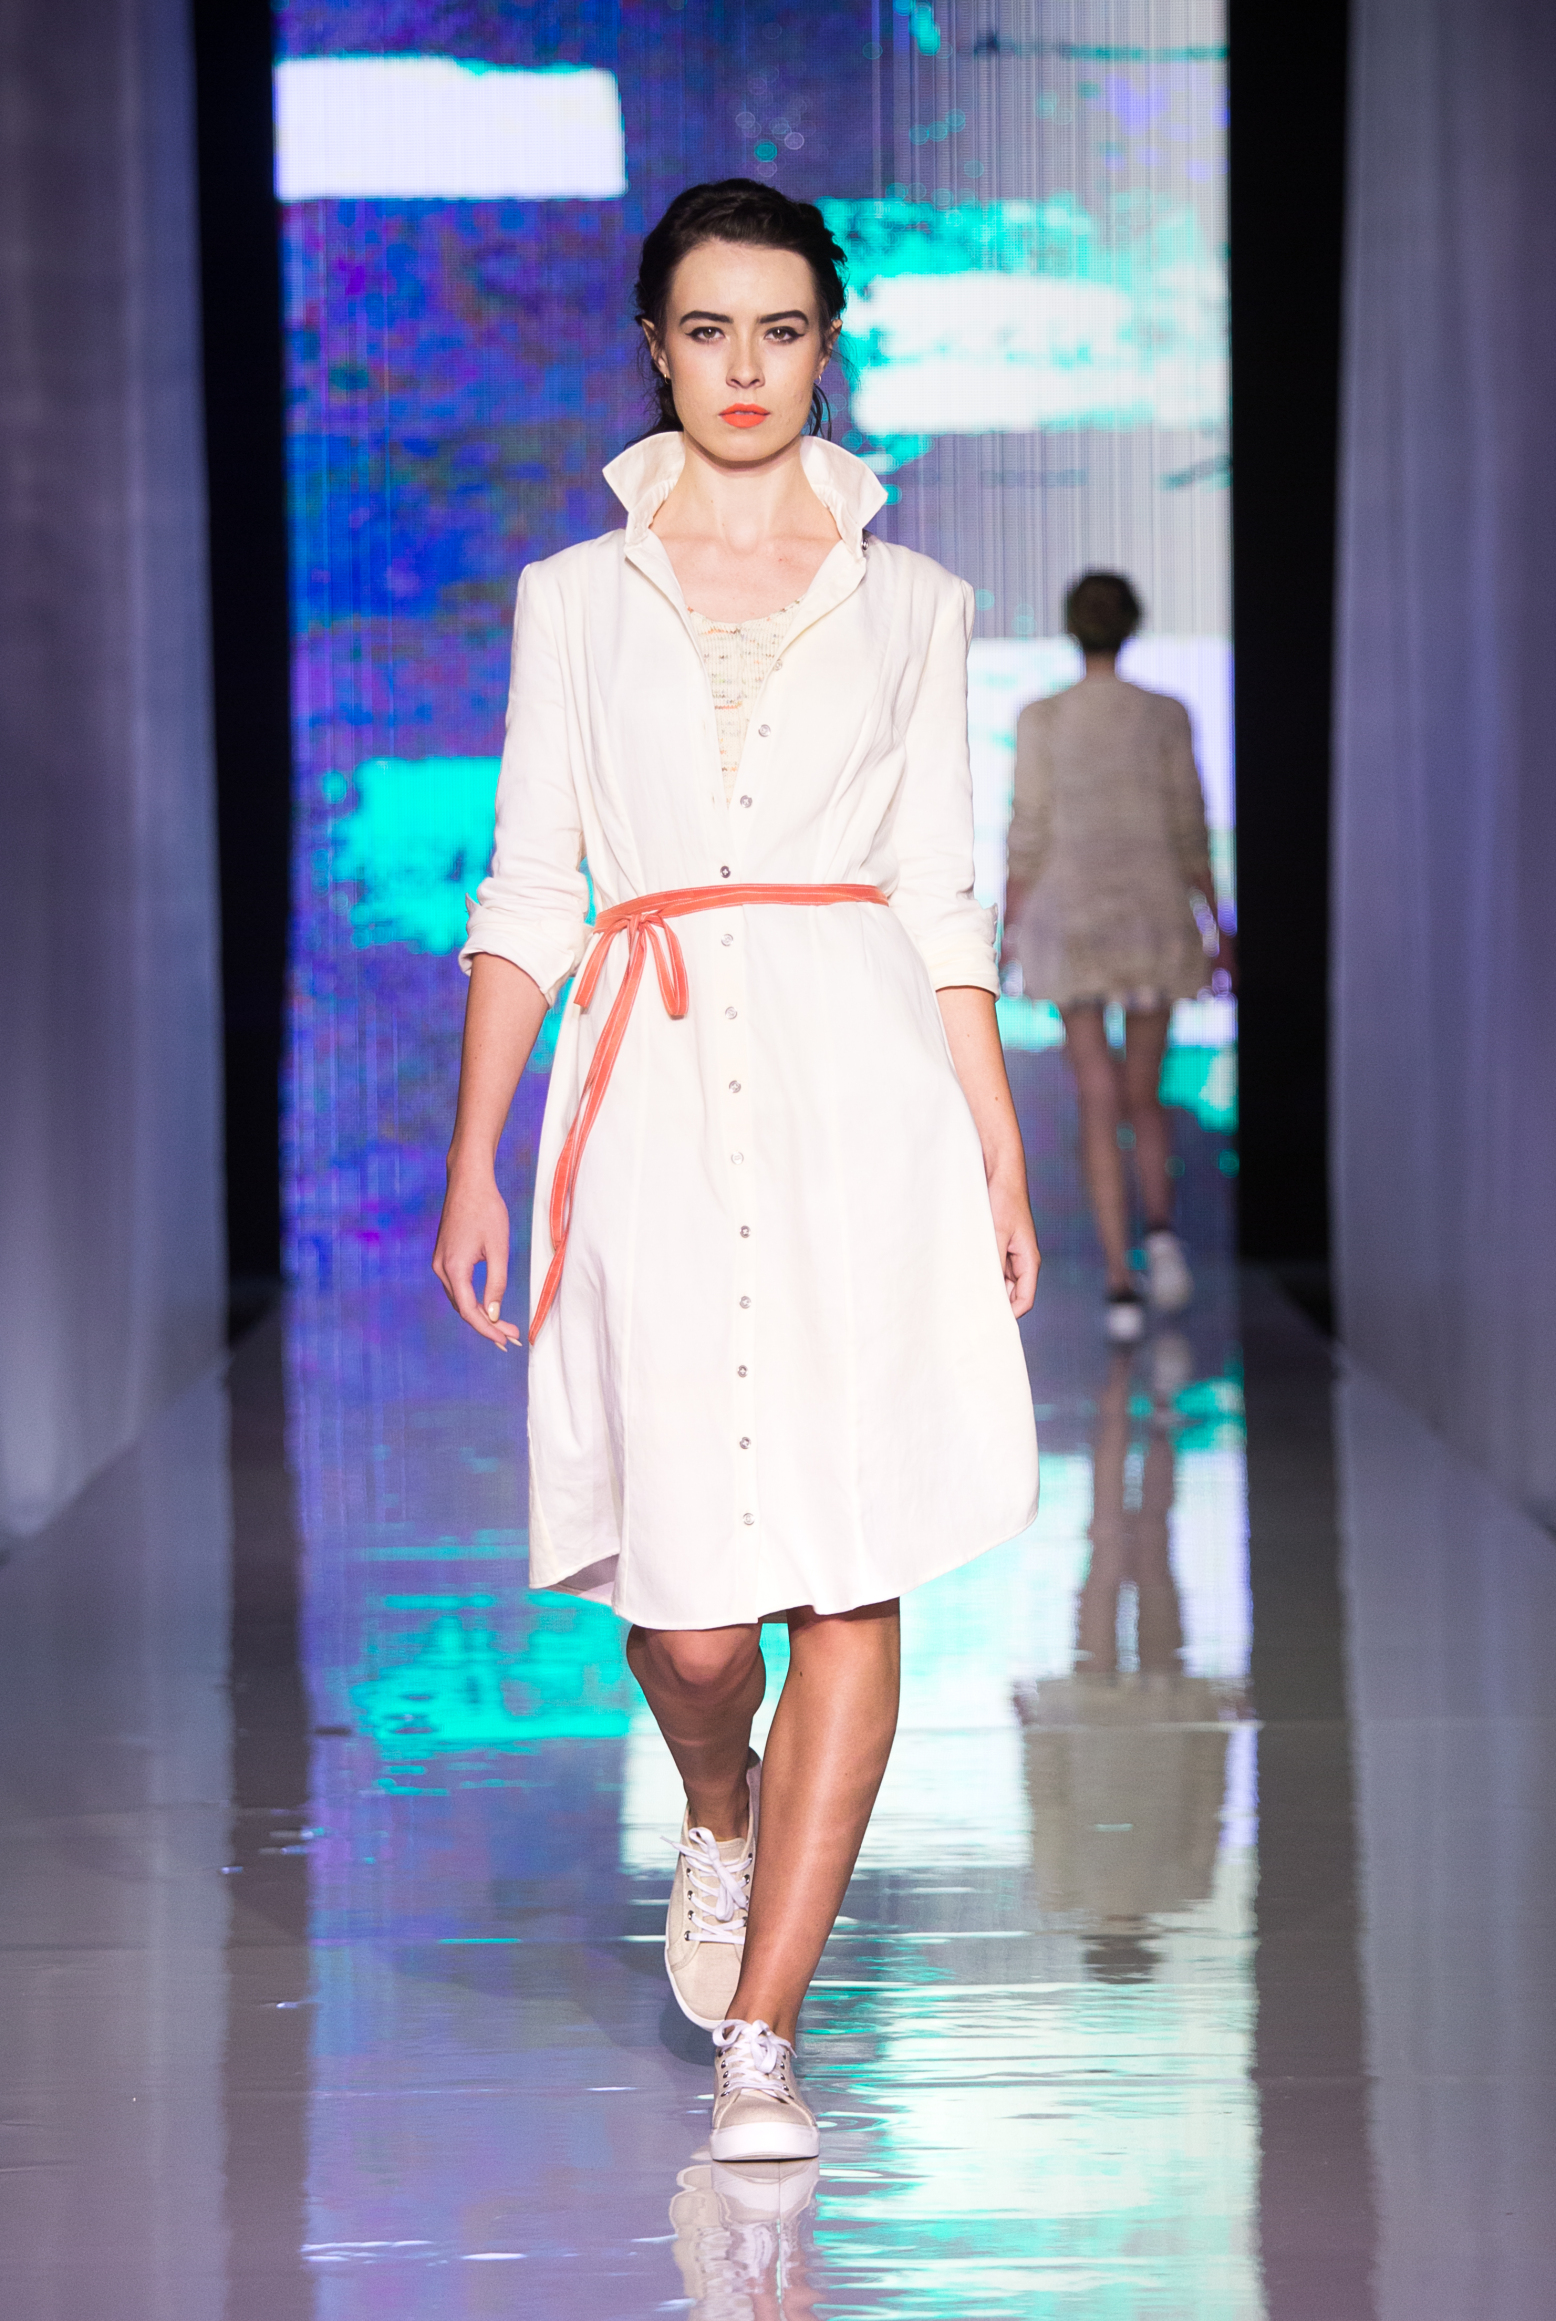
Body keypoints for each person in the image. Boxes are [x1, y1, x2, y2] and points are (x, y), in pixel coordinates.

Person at [432, 179, 1040, 2164]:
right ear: (655, 347)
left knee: (849, 1569)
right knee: (693, 1621)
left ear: (827, 344)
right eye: (709, 330)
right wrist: (476, 1159)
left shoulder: (918, 603)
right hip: (649, 1095)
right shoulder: (572, 596)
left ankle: (764, 2037)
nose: (746, 367)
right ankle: (717, 1802)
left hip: (864, 1100)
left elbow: (939, 897)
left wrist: (995, 1147)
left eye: (782, 329)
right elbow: (529, 891)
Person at [1003, 573, 1233, 1343]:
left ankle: (1118, 1282)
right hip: (1151, 914)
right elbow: (1190, 827)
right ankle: (1160, 1234)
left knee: (1098, 1096)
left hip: (1071, 918)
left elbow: (1028, 831)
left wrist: (1007, 930)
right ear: (1132, 624)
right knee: (1142, 1092)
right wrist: (1218, 926)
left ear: (1073, 628)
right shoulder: (1164, 713)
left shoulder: (1042, 718)